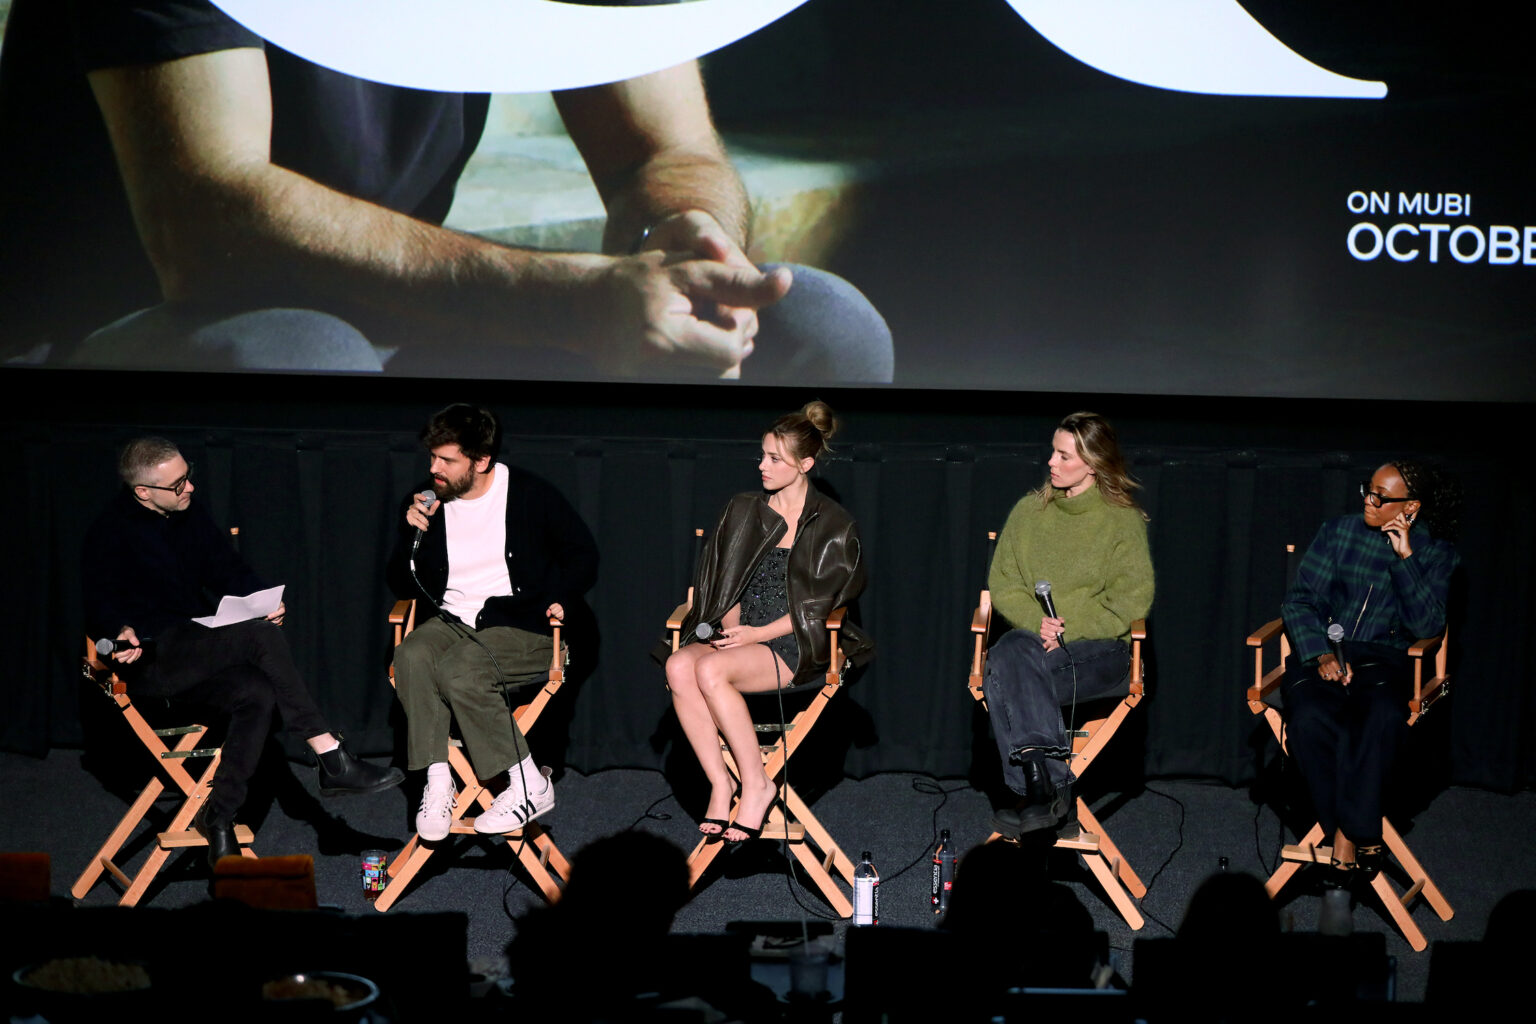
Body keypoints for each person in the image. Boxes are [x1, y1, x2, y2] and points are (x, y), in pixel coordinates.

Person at [0, 0, 893, 383]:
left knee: (817, 325)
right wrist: (565, 303)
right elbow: (206, 219)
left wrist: (692, 243)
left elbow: (667, 148)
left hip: (406, 325)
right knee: (304, 356)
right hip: (122, 343)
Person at [81, 437, 404, 869]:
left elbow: (225, 568)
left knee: (256, 692)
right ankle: (329, 755)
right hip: (153, 664)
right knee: (257, 638)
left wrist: (260, 599)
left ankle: (219, 819)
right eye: (177, 485)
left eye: (187, 476)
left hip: (196, 647)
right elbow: (97, 606)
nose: (190, 488)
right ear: (143, 491)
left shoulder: (187, 515)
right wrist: (119, 631)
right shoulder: (109, 532)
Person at [387, 404, 597, 839]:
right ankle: (439, 781)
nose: (434, 469)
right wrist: (411, 532)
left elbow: (583, 555)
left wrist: (562, 598)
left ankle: (528, 783)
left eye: (447, 460)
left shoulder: (528, 494)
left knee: (462, 671)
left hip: (524, 624)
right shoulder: (429, 502)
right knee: (411, 656)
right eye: (432, 459)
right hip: (454, 621)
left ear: (480, 460)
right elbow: (399, 582)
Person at [666, 401, 872, 843]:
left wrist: (756, 636)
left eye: (774, 459)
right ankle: (723, 784)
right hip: (743, 636)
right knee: (680, 665)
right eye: (762, 455)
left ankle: (756, 783)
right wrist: (730, 627)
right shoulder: (742, 510)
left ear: (806, 464)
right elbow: (725, 583)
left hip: (798, 641)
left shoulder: (835, 524)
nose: (762, 466)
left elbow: (821, 607)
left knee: (709, 669)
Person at [1280, 460, 1461, 875]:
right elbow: (1300, 601)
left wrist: (1405, 558)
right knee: (1307, 721)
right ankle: (1362, 832)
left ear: (1410, 507)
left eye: (1381, 496)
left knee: (1380, 719)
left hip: (1384, 663)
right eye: (1369, 489)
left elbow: (1427, 626)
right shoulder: (1338, 532)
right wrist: (1320, 654)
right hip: (1322, 654)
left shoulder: (1436, 553)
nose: (1369, 499)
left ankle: (1346, 835)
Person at [984, 412, 1154, 836]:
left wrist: (1066, 629)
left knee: (1002, 673)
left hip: (1099, 651)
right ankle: (1049, 793)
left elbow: (1132, 599)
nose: (1051, 463)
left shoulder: (1121, 520)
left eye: (1063, 455)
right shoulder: (1029, 512)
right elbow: (1003, 584)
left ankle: (1031, 793)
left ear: (1093, 464)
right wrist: (1039, 626)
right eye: (1053, 452)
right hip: (1032, 648)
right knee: (1008, 652)